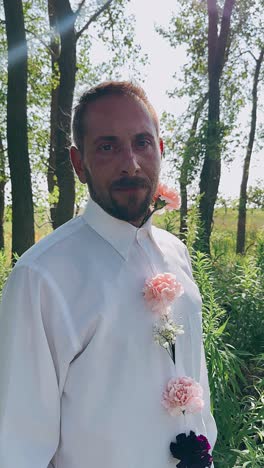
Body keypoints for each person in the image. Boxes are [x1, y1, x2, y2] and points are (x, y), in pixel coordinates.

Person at [0, 81, 217, 467]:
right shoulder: (42, 277)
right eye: (107, 146)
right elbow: (18, 442)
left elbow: (194, 371)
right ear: (78, 163)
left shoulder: (177, 254)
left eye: (142, 142)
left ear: (160, 150)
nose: (130, 163)